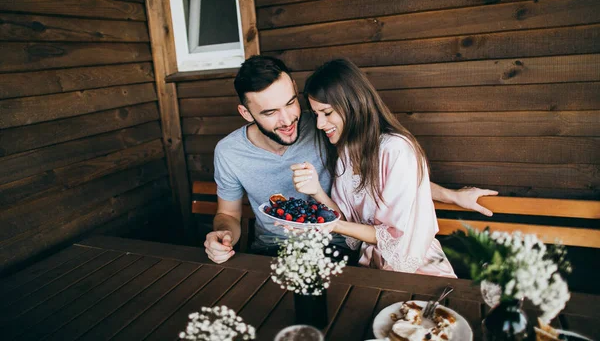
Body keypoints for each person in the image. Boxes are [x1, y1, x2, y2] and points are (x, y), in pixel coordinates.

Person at [204, 56, 497, 264]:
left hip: (339, 250)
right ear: (246, 113)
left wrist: (450, 195)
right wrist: (224, 235)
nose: (288, 120)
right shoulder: (229, 152)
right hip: (272, 251)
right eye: (270, 113)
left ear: (295, 89)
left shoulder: (326, 126)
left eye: (291, 103)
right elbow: (228, 214)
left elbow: (383, 172)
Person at [291, 58, 455, 277]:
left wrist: (330, 226)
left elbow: (392, 234)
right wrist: (316, 190)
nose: (320, 124)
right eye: (316, 115)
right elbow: (346, 219)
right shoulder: (347, 154)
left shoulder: (396, 149)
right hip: (372, 267)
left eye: (327, 113)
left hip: (417, 269)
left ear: (353, 104)